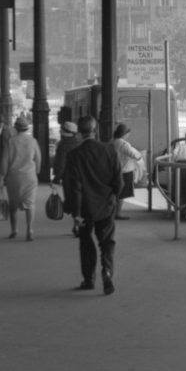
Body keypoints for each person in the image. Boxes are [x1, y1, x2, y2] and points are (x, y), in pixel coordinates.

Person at [63, 115, 122, 295]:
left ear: (79, 133)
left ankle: (89, 279)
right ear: (95, 131)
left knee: (86, 243)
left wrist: (76, 213)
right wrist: (112, 199)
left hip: (85, 209)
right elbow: (119, 182)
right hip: (106, 206)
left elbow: (75, 187)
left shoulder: (74, 155)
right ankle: (107, 272)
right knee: (107, 242)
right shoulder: (110, 151)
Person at [0, 116, 41, 241]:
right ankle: (30, 229)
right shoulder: (33, 141)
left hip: (14, 177)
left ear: (16, 128)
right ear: (27, 128)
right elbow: (38, 158)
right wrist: (36, 171)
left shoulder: (10, 141)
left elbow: (5, 161)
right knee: (30, 204)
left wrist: (1, 176)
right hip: (30, 176)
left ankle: (14, 230)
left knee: (13, 205)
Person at [110, 123, 143, 220]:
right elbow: (135, 155)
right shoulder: (124, 144)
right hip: (124, 172)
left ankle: (112, 212)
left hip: (113, 171)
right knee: (121, 194)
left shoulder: (112, 142)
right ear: (125, 134)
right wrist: (139, 157)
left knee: (115, 193)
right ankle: (118, 213)